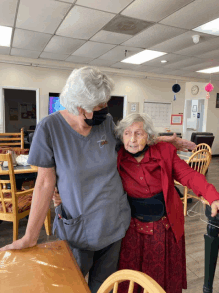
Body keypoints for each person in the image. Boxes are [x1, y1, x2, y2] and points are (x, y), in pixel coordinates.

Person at [0, 67, 196, 293]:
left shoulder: (105, 122)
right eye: (100, 106)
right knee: (72, 285)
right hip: (78, 229)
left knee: (102, 287)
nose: (106, 109)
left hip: (113, 224)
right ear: (80, 106)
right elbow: (44, 183)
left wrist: (164, 140)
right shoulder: (50, 128)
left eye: (106, 103)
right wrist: (29, 237)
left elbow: (129, 143)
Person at [114, 113, 219, 293]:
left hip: (163, 226)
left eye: (138, 133)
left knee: (161, 278)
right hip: (130, 228)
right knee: (131, 278)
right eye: (127, 133)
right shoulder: (116, 156)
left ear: (148, 136)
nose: (132, 139)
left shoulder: (164, 151)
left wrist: (213, 196)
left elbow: (188, 175)